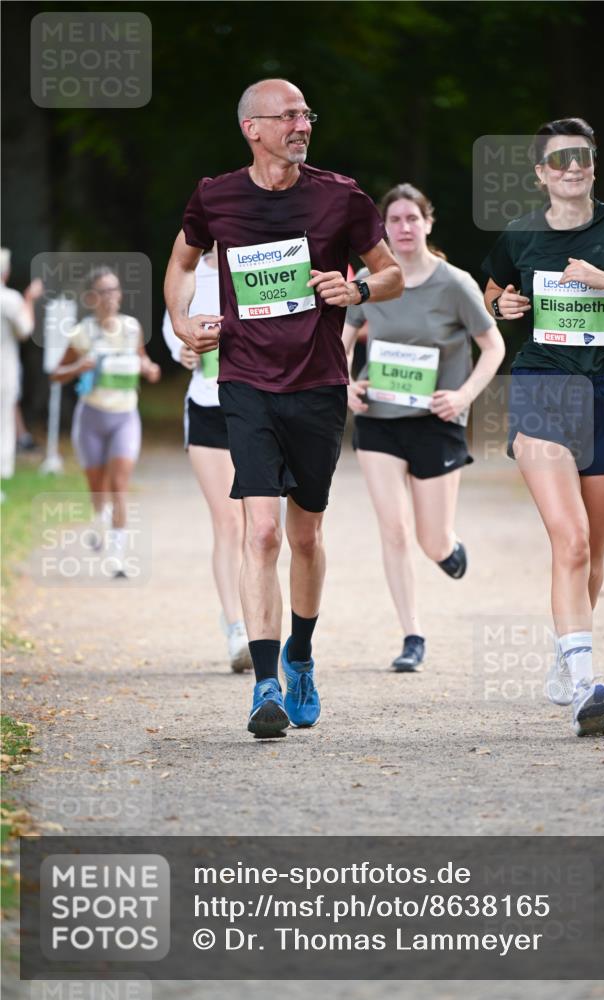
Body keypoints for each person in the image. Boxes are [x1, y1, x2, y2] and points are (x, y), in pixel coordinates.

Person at [164, 78, 403, 738]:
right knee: (259, 532)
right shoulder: (215, 196)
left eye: (306, 114)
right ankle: (265, 685)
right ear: (253, 128)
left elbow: (391, 272)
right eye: (289, 116)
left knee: (304, 536)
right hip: (243, 382)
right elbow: (181, 263)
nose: (302, 125)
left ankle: (300, 654)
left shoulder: (340, 195)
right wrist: (182, 322)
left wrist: (355, 288)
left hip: (319, 386)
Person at [482, 117, 604, 736]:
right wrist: (501, 306)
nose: (571, 167)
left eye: (581, 157)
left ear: (593, 165)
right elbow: (494, 291)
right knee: (571, 539)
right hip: (543, 387)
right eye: (558, 160)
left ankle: (568, 651)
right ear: (540, 173)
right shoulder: (521, 234)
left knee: (594, 560)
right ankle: (588, 682)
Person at [343, 184, 505, 672]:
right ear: (383, 229)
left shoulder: (455, 284)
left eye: (412, 218)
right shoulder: (372, 281)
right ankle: (412, 635)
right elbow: (342, 339)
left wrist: (462, 397)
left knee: (429, 539)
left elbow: (493, 347)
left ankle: (448, 549)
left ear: (428, 224)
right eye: (394, 220)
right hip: (379, 422)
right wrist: (345, 384)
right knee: (393, 528)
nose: (404, 227)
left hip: (437, 422)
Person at [162, 248, 251, 672]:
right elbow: (172, 322)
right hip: (206, 407)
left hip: (254, 407)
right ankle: (236, 628)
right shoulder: (189, 271)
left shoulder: (253, 263)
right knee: (228, 522)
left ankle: (257, 619)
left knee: (259, 525)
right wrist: (183, 349)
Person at [51, 266, 161, 578]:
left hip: (125, 416)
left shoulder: (131, 328)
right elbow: (56, 375)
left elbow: (144, 360)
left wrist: (149, 368)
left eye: (115, 290)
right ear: (90, 298)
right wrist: (77, 367)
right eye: (103, 291)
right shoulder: (81, 333)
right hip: (91, 418)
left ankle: (117, 557)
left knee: (119, 486)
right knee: (97, 487)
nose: (111, 297)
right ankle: (100, 521)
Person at [1, 247, 42, 485]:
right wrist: (29, 299)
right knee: (4, 421)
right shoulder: (9, 299)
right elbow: (25, 329)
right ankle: (3, 474)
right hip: (4, 368)